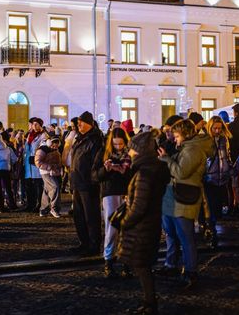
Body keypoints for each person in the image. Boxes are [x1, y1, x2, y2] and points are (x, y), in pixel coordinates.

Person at [117, 130, 170, 315]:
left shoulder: (145, 173)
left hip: (142, 228)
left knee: (142, 266)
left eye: (132, 149)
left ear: (140, 150)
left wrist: (125, 222)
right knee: (142, 266)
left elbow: (140, 205)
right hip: (149, 224)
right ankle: (149, 303)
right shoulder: (151, 169)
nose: (129, 152)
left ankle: (150, 304)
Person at [157, 119, 214, 288]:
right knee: (171, 233)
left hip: (184, 198)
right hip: (173, 197)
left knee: (185, 236)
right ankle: (171, 264)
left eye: (177, 136)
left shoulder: (193, 149)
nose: (175, 139)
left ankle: (190, 271)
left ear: (186, 134)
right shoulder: (184, 147)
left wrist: (166, 159)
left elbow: (181, 172)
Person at [93, 128, 131, 278]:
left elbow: (134, 173)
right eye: (115, 144)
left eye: (121, 144)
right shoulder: (104, 153)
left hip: (126, 193)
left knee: (127, 229)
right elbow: (95, 175)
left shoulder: (130, 154)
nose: (118, 147)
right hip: (110, 193)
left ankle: (126, 263)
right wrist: (106, 169)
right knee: (111, 228)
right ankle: (108, 261)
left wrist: (125, 172)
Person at [69, 111, 104, 256]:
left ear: (89, 123)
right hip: (77, 181)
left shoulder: (95, 140)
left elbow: (96, 162)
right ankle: (83, 243)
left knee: (91, 216)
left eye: (81, 123)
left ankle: (94, 245)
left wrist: (92, 180)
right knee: (79, 216)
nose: (78, 125)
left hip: (88, 184)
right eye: (78, 123)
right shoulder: (80, 138)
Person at [203, 116, 233, 248]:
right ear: (210, 127)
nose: (217, 130)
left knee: (217, 207)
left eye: (219, 128)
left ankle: (211, 228)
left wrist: (229, 168)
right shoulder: (205, 140)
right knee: (211, 206)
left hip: (222, 177)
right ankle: (212, 231)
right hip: (210, 178)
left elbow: (227, 156)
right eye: (215, 128)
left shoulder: (224, 139)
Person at [23, 117, 48, 213]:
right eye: (33, 124)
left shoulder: (43, 136)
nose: (34, 126)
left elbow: (43, 148)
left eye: (36, 124)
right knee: (28, 185)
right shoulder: (30, 135)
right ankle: (30, 204)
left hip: (36, 162)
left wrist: (35, 155)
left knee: (38, 185)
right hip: (28, 163)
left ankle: (39, 204)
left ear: (40, 125)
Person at [35, 137, 63, 218]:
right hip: (46, 172)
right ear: (50, 143)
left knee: (47, 190)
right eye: (54, 145)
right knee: (55, 187)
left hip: (53, 172)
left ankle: (44, 210)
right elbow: (38, 162)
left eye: (57, 145)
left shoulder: (53, 150)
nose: (55, 147)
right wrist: (49, 166)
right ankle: (54, 208)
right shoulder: (43, 149)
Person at [0, 133, 18, 212]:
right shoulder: (8, 149)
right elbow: (15, 159)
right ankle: (12, 205)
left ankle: (0, 207)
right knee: (8, 188)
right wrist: (9, 164)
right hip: (6, 169)